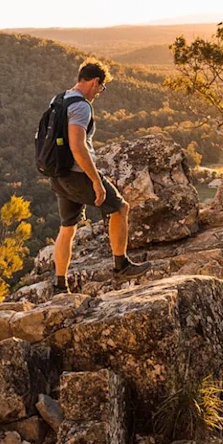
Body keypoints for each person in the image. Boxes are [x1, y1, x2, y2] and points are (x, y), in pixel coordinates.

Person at [47, 60, 148, 292]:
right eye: (101, 88)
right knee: (120, 208)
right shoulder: (81, 106)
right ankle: (121, 265)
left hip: (58, 172)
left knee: (67, 226)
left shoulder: (58, 99)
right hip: (78, 173)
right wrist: (95, 180)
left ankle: (60, 284)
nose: (99, 93)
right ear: (95, 82)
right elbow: (77, 145)